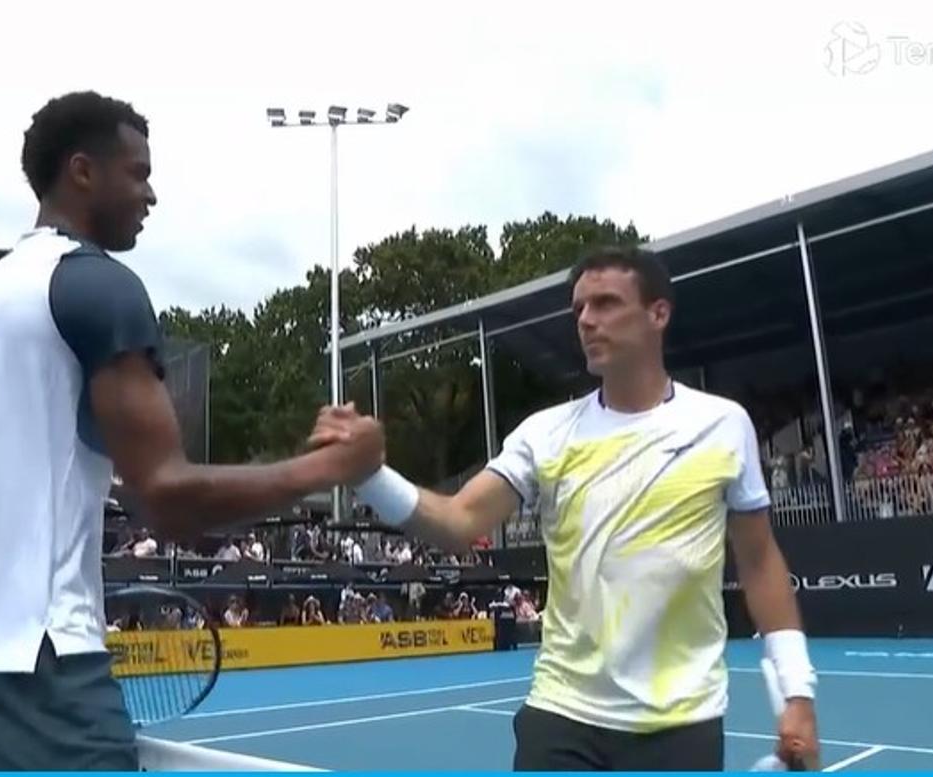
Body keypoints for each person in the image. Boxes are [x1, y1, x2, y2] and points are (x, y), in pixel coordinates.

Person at [0, 91, 382, 771]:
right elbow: (167, 496)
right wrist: (331, 468)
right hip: (36, 666)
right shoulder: (99, 286)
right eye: (138, 173)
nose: (151, 194)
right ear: (82, 171)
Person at [314, 245, 821, 771]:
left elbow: (760, 564)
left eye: (605, 303)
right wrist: (369, 475)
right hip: (562, 714)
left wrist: (797, 694)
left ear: (658, 314)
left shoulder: (723, 425)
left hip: (681, 721)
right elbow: (460, 522)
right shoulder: (546, 434)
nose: (586, 320)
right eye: (578, 308)